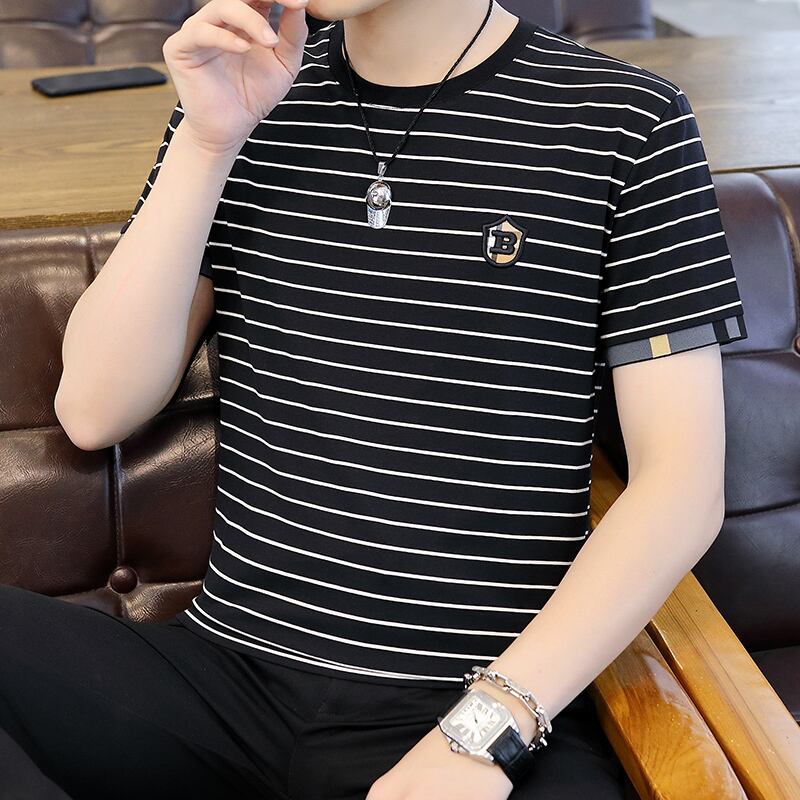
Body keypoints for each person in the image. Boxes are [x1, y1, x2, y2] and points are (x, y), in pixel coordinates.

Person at [3, 0, 747, 797]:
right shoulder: (241, 96)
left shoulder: (626, 120)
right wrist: (208, 138)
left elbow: (680, 488)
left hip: (465, 700)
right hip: (223, 680)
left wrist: (484, 732)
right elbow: (96, 409)